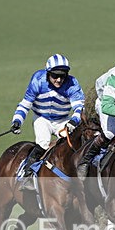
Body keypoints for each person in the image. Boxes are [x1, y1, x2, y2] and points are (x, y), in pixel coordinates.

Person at [11, 54, 85, 189]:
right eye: (55, 75)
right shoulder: (38, 80)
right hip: (42, 118)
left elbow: (79, 107)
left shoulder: (72, 83)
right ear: (48, 73)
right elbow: (25, 104)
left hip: (63, 120)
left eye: (63, 76)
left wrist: (74, 120)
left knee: (73, 145)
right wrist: (17, 120)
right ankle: (27, 175)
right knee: (43, 143)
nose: (59, 79)